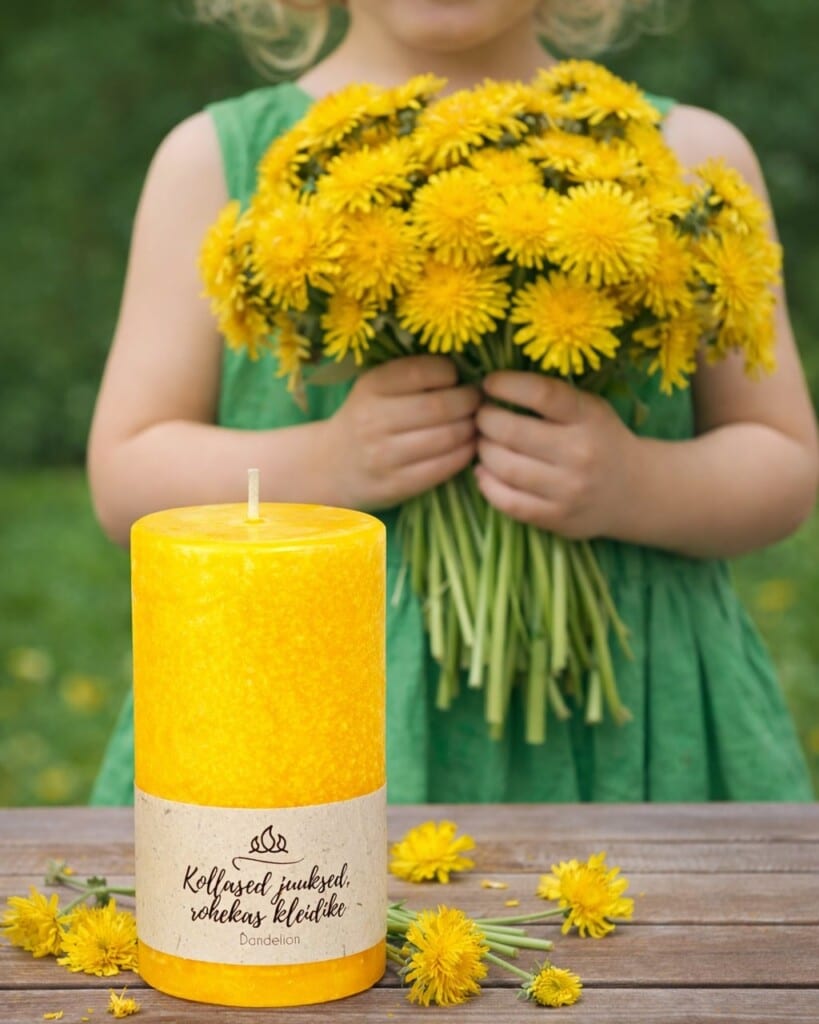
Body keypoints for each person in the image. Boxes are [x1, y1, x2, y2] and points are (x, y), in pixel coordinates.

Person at [87, 0, 818, 805]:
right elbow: (128, 477)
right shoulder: (213, 164)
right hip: (304, 718)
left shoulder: (687, 158)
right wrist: (324, 465)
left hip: (637, 729)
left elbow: (781, 463)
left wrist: (634, 485)